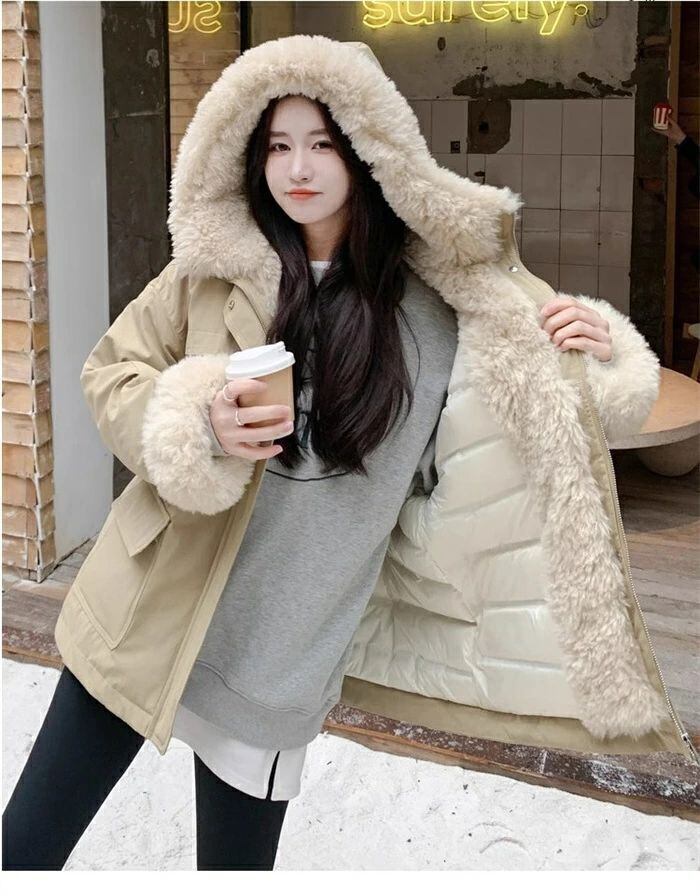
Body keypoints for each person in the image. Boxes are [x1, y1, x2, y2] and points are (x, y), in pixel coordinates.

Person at [7, 36, 669, 873]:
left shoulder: (443, 308)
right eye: (278, 145)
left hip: (278, 656)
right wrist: (195, 422)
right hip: (143, 609)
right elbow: (111, 372)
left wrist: (596, 355)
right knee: (23, 852)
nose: (298, 168)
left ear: (367, 148)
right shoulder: (213, 270)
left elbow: (544, 424)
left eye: (322, 143)